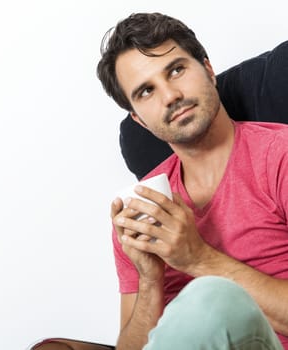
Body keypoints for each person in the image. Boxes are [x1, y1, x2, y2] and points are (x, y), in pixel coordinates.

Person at [96, 13, 288, 350]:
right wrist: (150, 280)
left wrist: (198, 259)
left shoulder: (280, 157)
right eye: (146, 91)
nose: (170, 95)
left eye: (176, 70)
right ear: (139, 120)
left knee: (211, 298)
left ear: (208, 70)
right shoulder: (143, 209)